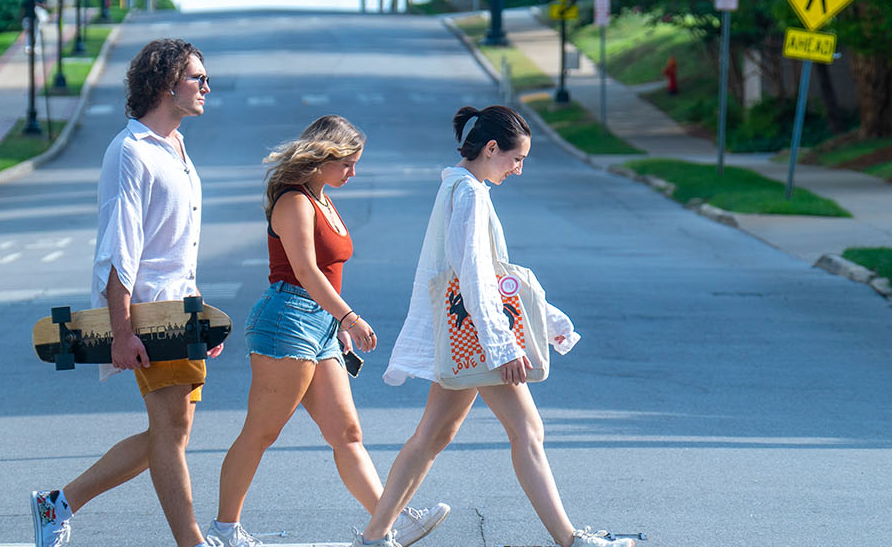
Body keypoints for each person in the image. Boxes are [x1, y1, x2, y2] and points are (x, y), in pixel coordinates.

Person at [349, 106, 630, 547]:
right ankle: (570, 540)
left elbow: (494, 278)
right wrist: (503, 347)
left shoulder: (460, 187)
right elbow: (475, 276)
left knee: (432, 436)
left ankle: (374, 536)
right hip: (479, 339)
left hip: (466, 337)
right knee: (526, 430)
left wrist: (548, 319)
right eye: (516, 159)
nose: (518, 170)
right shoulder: (470, 194)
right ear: (492, 148)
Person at [208, 116, 449, 547]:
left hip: (318, 324)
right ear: (323, 158)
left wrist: (333, 323)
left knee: (346, 434)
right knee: (262, 431)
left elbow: (329, 272)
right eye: (348, 164)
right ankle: (224, 530)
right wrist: (348, 318)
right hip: (287, 318)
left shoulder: (323, 199)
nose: (354, 173)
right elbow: (305, 270)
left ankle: (386, 522)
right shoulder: (294, 201)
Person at [31, 38, 223, 547]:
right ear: (165, 84)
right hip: (149, 314)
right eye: (197, 77)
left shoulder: (177, 149)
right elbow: (120, 249)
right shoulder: (130, 152)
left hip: (178, 311)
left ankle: (57, 504)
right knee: (170, 435)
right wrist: (120, 330)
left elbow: (178, 246)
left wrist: (200, 315)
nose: (207, 86)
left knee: (171, 435)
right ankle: (193, 542)